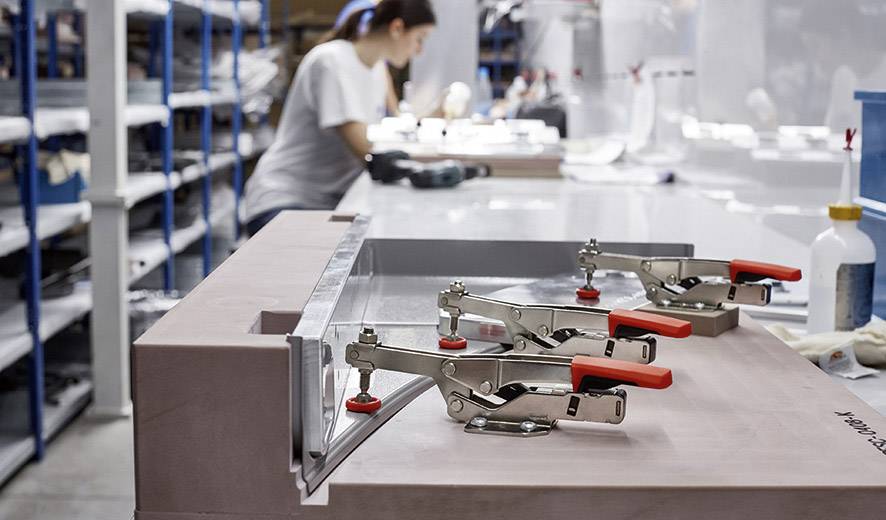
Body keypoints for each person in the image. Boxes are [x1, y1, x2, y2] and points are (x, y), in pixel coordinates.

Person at [243, 0, 436, 235]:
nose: (419, 50)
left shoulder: (375, 70)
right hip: (286, 201)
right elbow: (366, 151)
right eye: (420, 38)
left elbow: (387, 129)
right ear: (396, 28)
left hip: (325, 203)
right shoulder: (332, 61)